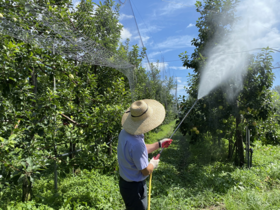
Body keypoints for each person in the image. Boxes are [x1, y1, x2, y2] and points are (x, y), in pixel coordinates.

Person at [117, 99, 173, 210]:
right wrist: (153, 164)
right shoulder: (136, 143)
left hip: (125, 184)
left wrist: (159, 144)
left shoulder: (125, 132)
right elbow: (145, 170)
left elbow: (138, 151)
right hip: (134, 187)